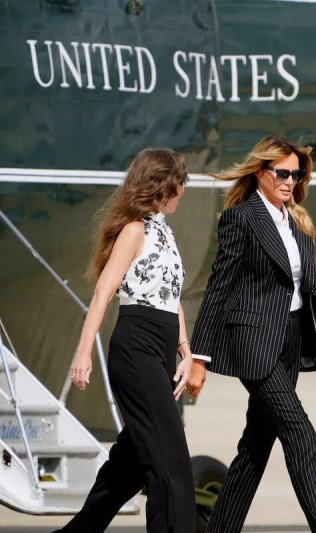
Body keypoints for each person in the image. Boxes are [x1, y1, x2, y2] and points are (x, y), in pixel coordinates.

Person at [191, 135, 316, 533]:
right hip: (255, 344)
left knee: (255, 447)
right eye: (282, 173)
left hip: (289, 342)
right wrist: (199, 358)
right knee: (300, 432)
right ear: (261, 172)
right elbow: (219, 287)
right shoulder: (241, 217)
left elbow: (314, 288)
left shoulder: (298, 221)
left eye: (296, 174)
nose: (290, 181)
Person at [57, 148, 196, 532]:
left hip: (162, 347)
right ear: (164, 185)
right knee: (170, 461)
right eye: (181, 182)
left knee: (132, 461)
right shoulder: (135, 230)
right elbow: (103, 292)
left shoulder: (164, 231)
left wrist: (185, 350)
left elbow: (172, 296)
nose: (184, 189)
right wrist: (84, 353)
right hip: (136, 348)